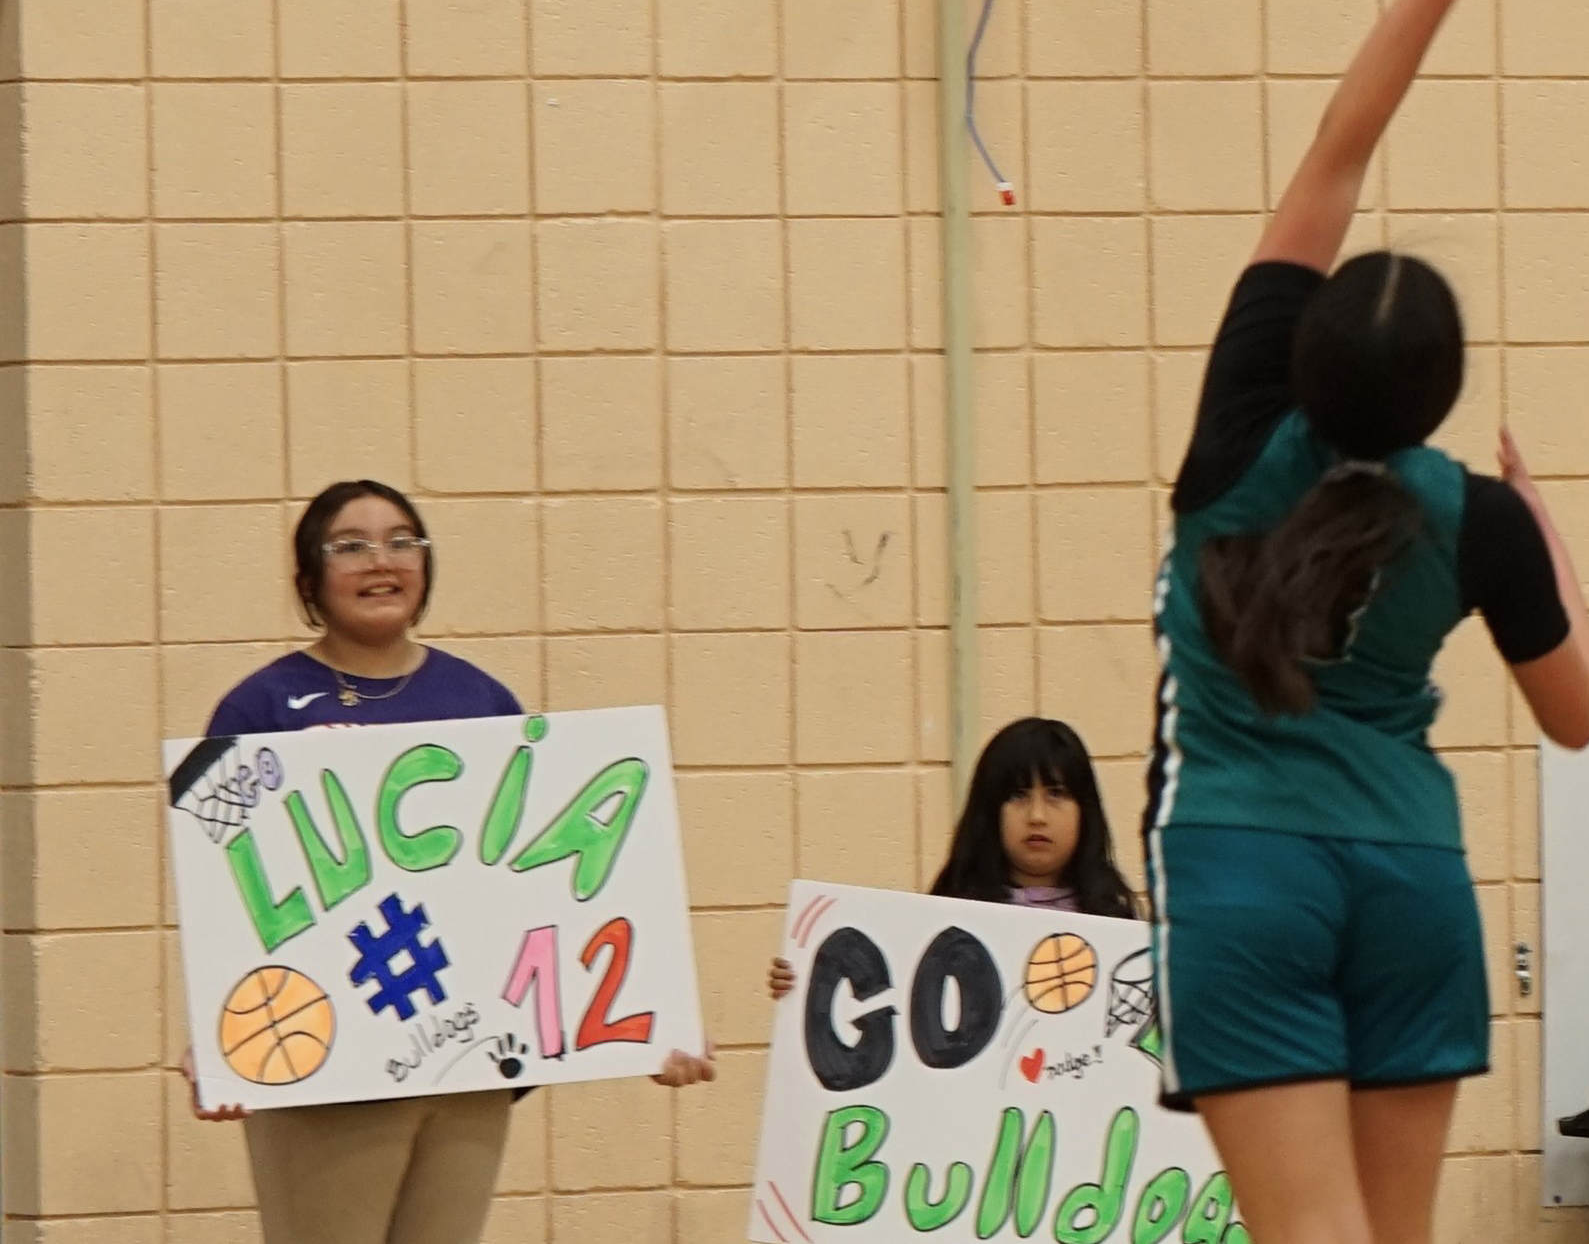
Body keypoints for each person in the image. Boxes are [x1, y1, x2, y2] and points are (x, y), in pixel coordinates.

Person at [1145, 0, 1589, 1244]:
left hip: (1243, 862)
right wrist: (1547, 526)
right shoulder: (1478, 520)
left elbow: (1334, 155)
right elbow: (1581, 713)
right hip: (1411, 872)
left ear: (1305, 346)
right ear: (1439, 401)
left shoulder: (1236, 431)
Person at [184, 479, 716, 1244]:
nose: (382, 560)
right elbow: (225, 891)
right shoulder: (259, 709)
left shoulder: (483, 701)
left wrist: (657, 1015)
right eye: (351, 545)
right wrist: (214, 1027)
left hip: (468, 1065)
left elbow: (544, 887)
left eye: (403, 541)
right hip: (326, 1066)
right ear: (307, 578)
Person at [766, 716, 1141, 997]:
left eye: (1057, 793)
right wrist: (805, 984)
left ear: (1085, 810)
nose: (1037, 815)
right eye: (1017, 796)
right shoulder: (949, 916)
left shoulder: (1119, 924)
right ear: (989, 810)